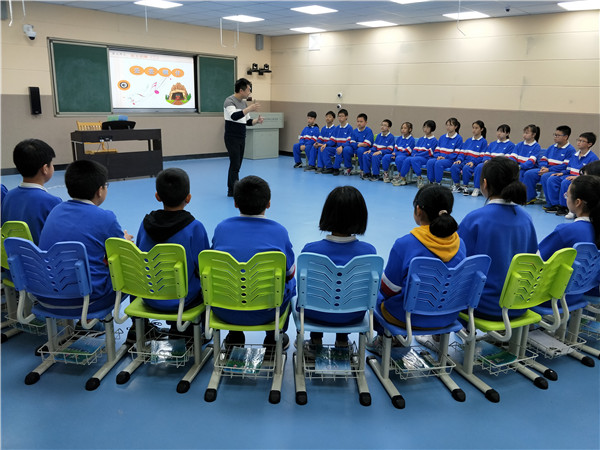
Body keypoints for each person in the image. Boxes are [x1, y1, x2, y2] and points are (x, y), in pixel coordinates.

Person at [367, 184, 466, 354]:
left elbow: (388, 290)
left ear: (418, 210)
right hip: (448, 316)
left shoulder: (405, 244)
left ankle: (387, 340)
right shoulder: (460, 244)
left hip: (407, 319)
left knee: (376, 293)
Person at [38, 160, 133, 316]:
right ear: (100, 190)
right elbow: (122, 254)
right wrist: (125, 241)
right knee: (130, 270)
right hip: (87, 302)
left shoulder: (55, 210)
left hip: (46, 296)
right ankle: (134, 326)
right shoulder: (105, 218)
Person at [211, 175, 296, 349]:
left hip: (225, 310)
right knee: (291, 282)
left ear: (235, 203)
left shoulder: (221, 229)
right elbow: (289, 273)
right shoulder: (279, 232)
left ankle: (234, 336)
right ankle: (273, 338)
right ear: (268, 204)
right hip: (268, 312)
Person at [458, 157, 537, 320]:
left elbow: (458, 262)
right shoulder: (526, 218)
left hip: (482, 304)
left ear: (484, 183)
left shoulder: (476, 219)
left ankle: (453, 332)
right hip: (518, 304)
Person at [300, 186, 377, 350]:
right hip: (352, 316)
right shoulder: (369, 253)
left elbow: (303, 289)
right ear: (361, 217)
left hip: (315, 314)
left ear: (327, 214)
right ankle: (342, 340)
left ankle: (315, 340)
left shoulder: (310, 251)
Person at [136, 168, 209, 316]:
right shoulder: (194, 227)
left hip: (149, 296)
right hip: (184, 300)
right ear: (188, 198)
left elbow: (139, 258)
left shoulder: (145, 224)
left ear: (157, 196)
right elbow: (204, 267)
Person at [1, 139, 62, 244]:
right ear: (45, 169)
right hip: (40, 254)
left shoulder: (8, 196)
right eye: (51, 164)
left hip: (11, 253)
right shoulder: (52, 202)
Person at [223, 78, 264, 197]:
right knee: (235, 164)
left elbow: (247, 121)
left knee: (238, 165)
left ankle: (234, 187)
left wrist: (257, 121)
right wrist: (249, 109)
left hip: (241, 137)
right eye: (248, 89)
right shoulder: (229, 101)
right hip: (232, 137)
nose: (249, 92)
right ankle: (232, 190)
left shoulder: (244, 103)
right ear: (241, 90)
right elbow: (234, 116)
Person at [543, 132, 598, 216]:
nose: (579, 142)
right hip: (569, 175)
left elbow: (591, 176)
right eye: (578, 140)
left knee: (566, 182)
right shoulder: (574, 155)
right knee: (552, 179)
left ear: (589, 144)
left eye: (582, 141)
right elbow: (568, 170)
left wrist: (577, 177)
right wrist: (561, 173)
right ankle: (555, 205)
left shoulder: (593, 158)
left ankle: (565, 207)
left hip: (581, 179)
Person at [522, 125, 575, 204]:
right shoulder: (551, 147)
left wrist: (549, 170)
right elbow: (543, 159)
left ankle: (551, 203)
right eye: (555, 135)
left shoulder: (570, 150)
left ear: (565, 137)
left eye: (558, 135)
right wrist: (543, 167)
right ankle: (529, 197)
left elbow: (565, 166)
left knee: (546, 176)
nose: (555, 137)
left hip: (558, 171)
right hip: (546, 169)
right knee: (529, 174)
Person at [468, 124, 515, 197]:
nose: (499, 133)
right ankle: (477, 188)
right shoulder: (492, 144)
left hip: (500, 165)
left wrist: (494, 162)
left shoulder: (511, 145)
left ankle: (495, 190)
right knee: (479, 167)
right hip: (490, 163)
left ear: (507, 133)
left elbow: (506, 159)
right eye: (498, 131)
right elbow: (486, 155)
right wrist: (486, 160)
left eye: (502, 132)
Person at [394, 120, 438, 187]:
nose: (425, 129)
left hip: (426, 158)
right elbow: (414, 150)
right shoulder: (421, 139)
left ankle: (419, 178)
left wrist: (417, 155)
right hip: (417, 157)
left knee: (414, 159)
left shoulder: (434, 140)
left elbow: (429, 153)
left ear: (432, 128)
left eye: (427, 127)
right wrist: (414, 155)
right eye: (424, 127)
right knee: (408, 159)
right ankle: (402, 178)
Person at [450, 120, 487, 193]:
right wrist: (459, 159)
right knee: (454, 166)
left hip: (475, 163)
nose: (474, 130)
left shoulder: (483, 142)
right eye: (473, 128)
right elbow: (462, 153)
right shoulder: (468, 140)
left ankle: (465, 187)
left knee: (466, 168)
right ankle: (457, 186)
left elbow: (482, 156)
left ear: (481, 129)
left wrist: (473, 162)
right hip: (465, 161)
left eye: (476, 128)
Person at [425, 117, 463, 185]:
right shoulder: (442, 137)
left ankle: (438, 183)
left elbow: (455, 153)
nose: (448, 127)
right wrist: (438, 156)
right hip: (439, 158)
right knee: (430, 162)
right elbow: (436, 150)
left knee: (438, 163)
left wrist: (444, 157)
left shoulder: (459, 138)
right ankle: (431, 182)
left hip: (450, 160)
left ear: (455, 127)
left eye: (450, 125)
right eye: (447, 125)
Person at [325, 109, 353, 175]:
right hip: (337, 147)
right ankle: (329, 167)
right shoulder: (336, 128)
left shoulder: (349, 128)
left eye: (342, 116)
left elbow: (349, 141)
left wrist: (342, 146)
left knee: (339, 150)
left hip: (344, 148)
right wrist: (326, 144)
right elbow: (332, 140)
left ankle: (336, 168)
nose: (340, 118)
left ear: (346, 117)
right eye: (339, 116)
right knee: (325, 149)